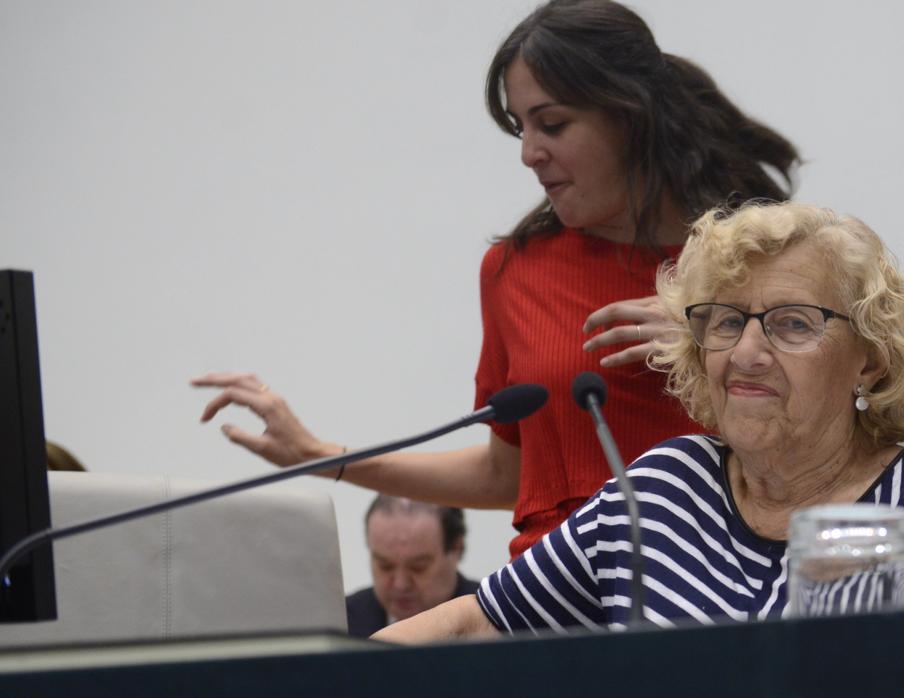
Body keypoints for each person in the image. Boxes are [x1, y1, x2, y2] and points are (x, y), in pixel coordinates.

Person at [191, 0, 800, 560]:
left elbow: (827, 439)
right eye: (520, 128)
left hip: (717, 586)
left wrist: (718, 330)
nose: (528, 152)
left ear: (628, 118)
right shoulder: (517, 271)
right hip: (552, 593)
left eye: (552, 125)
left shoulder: (758, 264)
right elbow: (506, 475)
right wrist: (321, 458)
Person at [372, 201, 904, 643]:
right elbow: (470, 627)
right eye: (724, 321)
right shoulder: (663, 490)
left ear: (869, 360)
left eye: (792, 324)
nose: (745, 352)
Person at [346, 495, 478, 638]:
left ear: (456, 549)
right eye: (385, 566)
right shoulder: (342, 624)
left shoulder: (493, 619)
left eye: (418, 567)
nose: (400, 584)